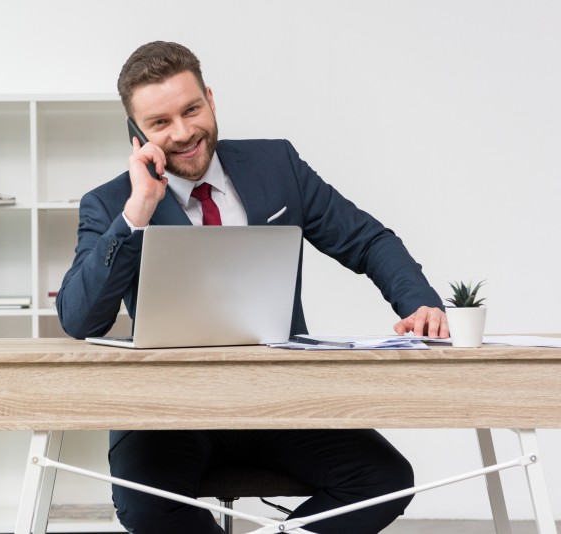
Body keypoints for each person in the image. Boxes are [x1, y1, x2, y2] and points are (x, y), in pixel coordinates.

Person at [56, 41, 449, 534]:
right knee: (147, 507)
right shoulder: (111, 203)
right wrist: (136, 212)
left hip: (278, 398)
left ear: (211, 100)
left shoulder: (277, 166)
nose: (183, 133)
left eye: (191, 109)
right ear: (136, 135)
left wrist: (421, 303)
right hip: (167, 411)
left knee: (385, 478)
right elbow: (79, 317)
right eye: (160, 123)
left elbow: (366, 240)